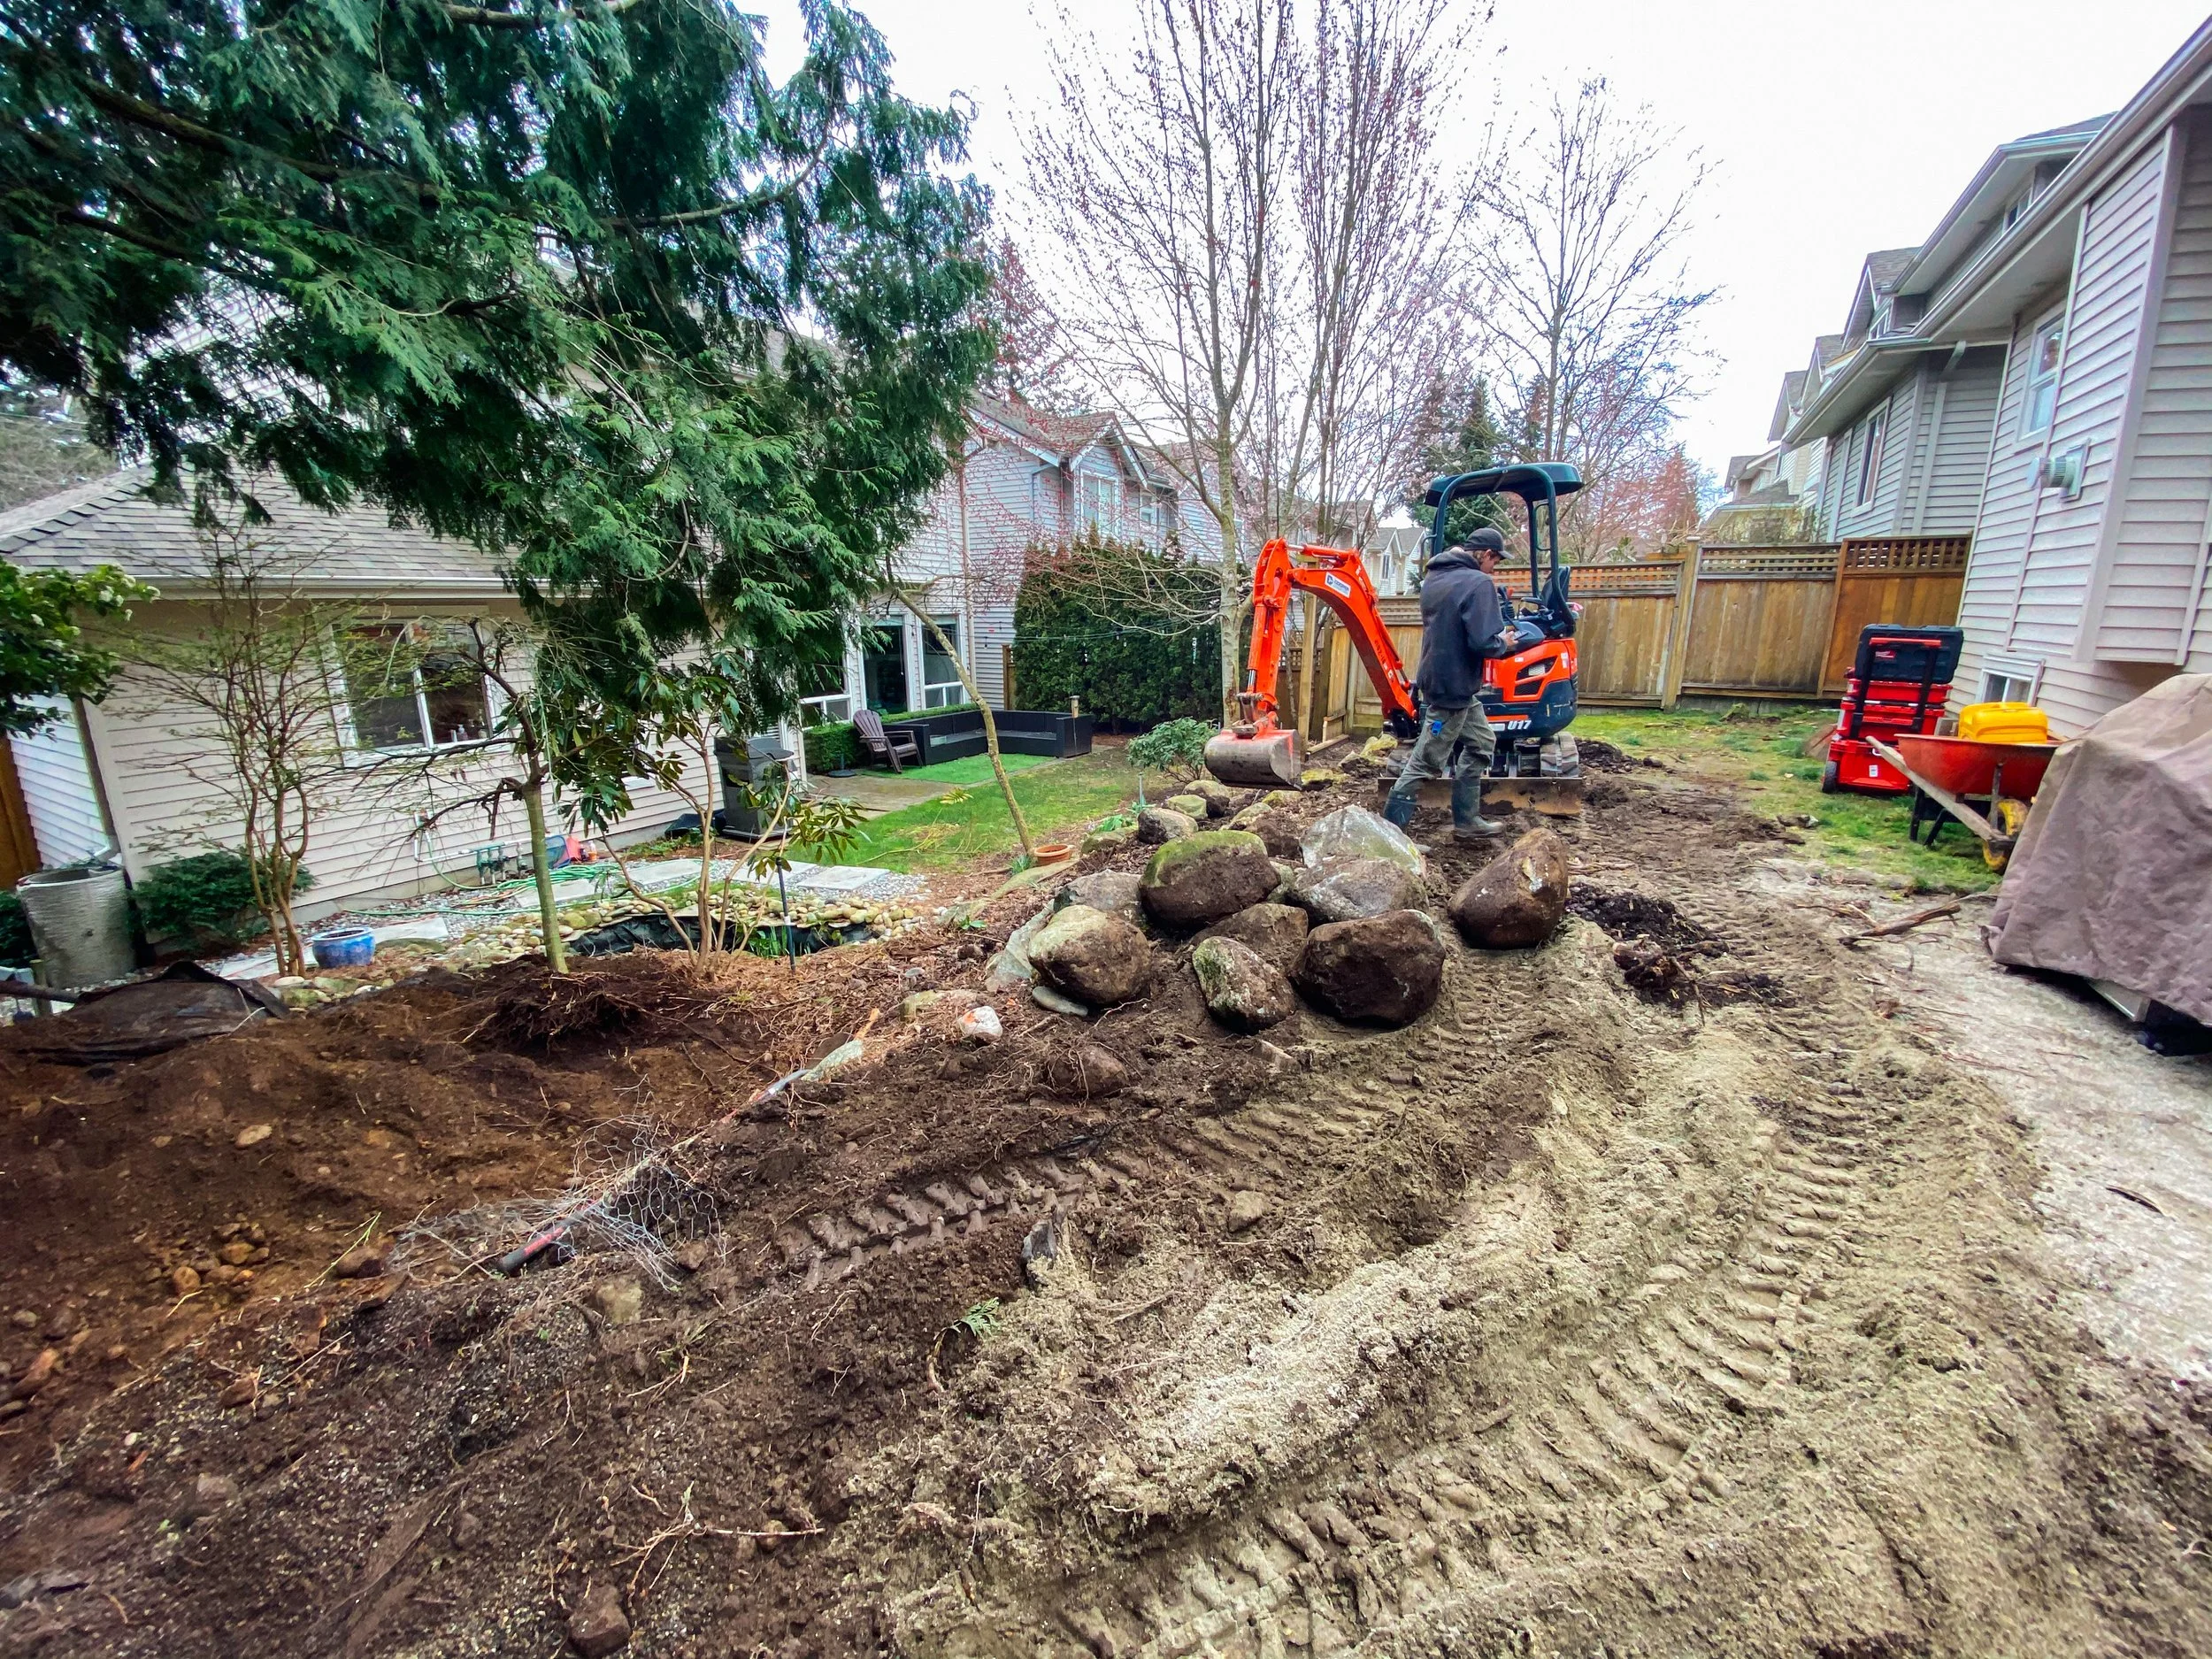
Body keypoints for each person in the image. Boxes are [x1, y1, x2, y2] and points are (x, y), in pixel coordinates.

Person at [1382, 526, 1517, 840]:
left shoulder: (1435, 578)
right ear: (1485, 554)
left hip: (1448, 683)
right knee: (1425, 761)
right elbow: (1484, 641)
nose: (1494, 567)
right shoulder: (1479, 582)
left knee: (1482, 744)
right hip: (1452, 689)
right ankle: (1391, 836)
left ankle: (1467, 821)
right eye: (1495, 559)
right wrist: (1504, 643)